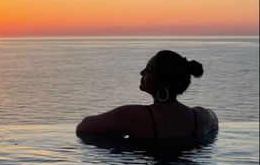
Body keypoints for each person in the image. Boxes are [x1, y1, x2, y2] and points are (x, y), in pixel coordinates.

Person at [76, 50, 218, 140]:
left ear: (165, 80)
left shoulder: (134, 115)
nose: (142, 72)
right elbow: (214, 120)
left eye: (149, 69)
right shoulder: (201, 116)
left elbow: (83, 127)